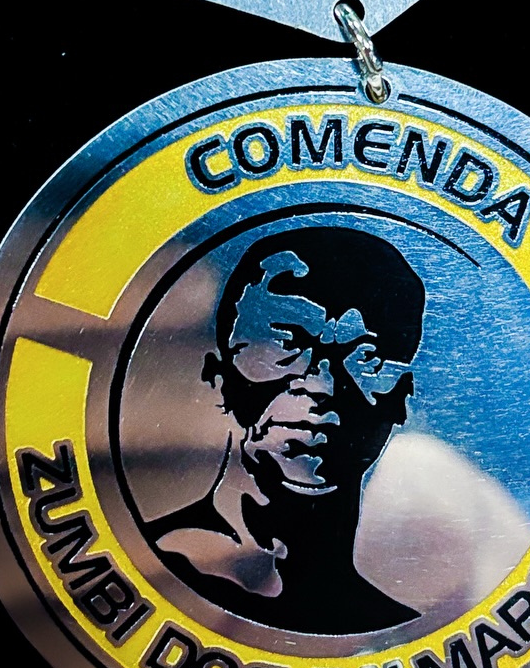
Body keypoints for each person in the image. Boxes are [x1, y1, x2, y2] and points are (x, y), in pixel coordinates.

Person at [144, 226, 425, 634]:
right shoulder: (134, 569)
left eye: (365, 357)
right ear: (218, 378)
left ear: (403, 395)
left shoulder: (404, 626)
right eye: (285, 344)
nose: (321, 384)